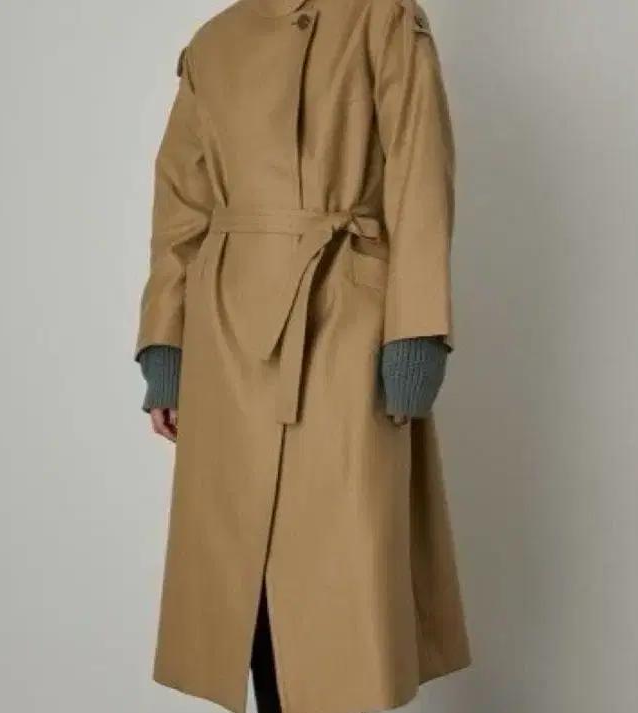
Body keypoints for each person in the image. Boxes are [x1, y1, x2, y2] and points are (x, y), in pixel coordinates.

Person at [133, 0, 471, 712]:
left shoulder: (379, 16)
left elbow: (420, 172)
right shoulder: (215, 41)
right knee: (243, 574)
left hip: (341, 317)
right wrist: (166, 346)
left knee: (339, 571)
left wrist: (415, 332)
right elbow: (180, 204)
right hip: (226, 330)